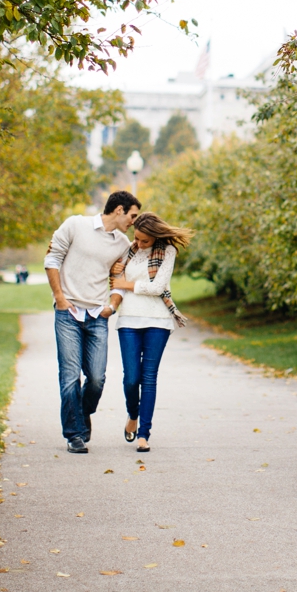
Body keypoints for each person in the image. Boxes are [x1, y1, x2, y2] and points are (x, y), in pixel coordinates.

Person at [44, 190, 140, 453]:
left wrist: (112, 306)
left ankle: (82, 410)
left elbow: (119, 283)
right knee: (69, 376)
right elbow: (52, 259)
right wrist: (59, 298)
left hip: (98, 316)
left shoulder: (122, 244)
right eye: (132, 215)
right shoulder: (76, 224)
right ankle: (74, 434)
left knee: (97, 378)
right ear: (119, 210)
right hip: (68, 313)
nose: (133, 221)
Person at [107, 213, 193, 453]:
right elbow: (114, 276)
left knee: (149, 378)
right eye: (137, 238)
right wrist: (116, 276)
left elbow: (158, 288)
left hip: (158, 320)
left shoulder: (168, 252)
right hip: (128, 321)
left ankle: (144, 433)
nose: (140, 244)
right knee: (131, 378)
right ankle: (132, 414)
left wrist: (126, 284)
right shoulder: (128, 251)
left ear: (156, 237)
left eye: (145, 241)